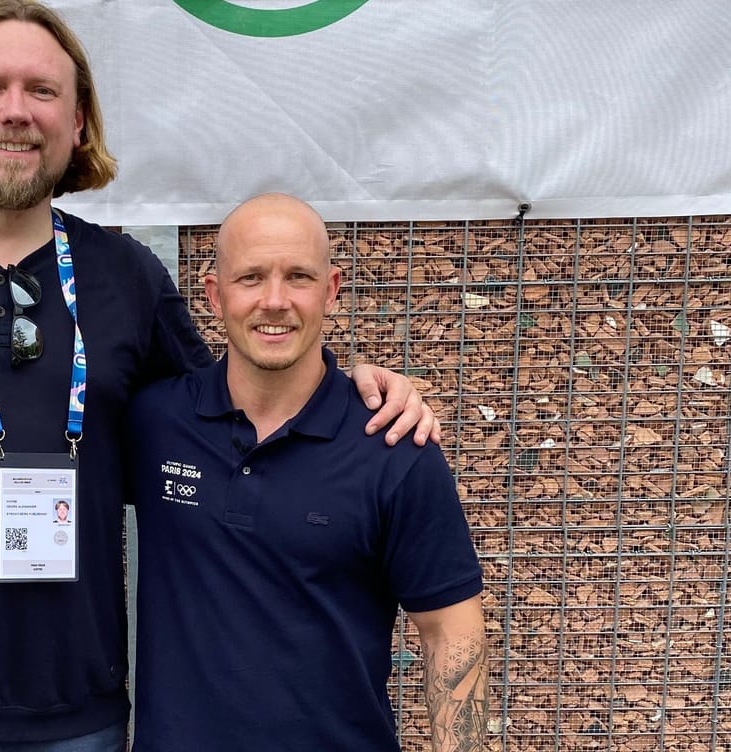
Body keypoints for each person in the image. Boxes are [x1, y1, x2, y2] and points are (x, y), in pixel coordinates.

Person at [0, 0, 440, 750]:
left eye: (42, 92)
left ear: (77, 122)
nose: (15, 111)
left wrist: (359, 382)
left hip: (74, 722)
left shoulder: (125, 276)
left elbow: (238, 411)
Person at [127, 193, 487, 751]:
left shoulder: (394, 445)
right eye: (250, 278)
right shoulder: (155, 422)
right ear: (214, 295)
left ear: (332, 289)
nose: (275, 301)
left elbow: (450, 632)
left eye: (298, 276)